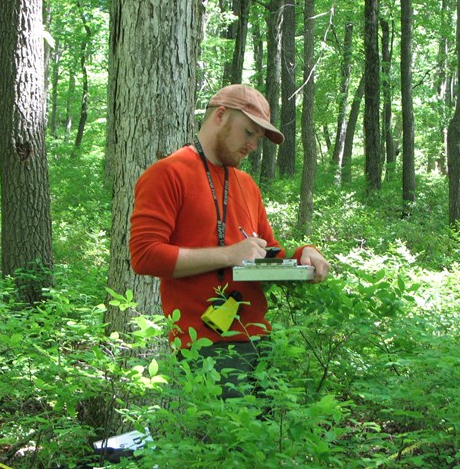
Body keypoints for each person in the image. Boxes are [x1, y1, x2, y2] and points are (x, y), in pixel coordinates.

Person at [129, 84, 329, 397]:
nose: (252, 146)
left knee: (267, 441)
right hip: (205, 346)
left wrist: (305, 253)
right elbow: (145, 256)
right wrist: (229, 255)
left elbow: (266, 250)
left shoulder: (246, 184)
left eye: (258, 139)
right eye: (248, 132)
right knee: (228, 445)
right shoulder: (167, 173)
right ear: (220, 116)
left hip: (259, 339)